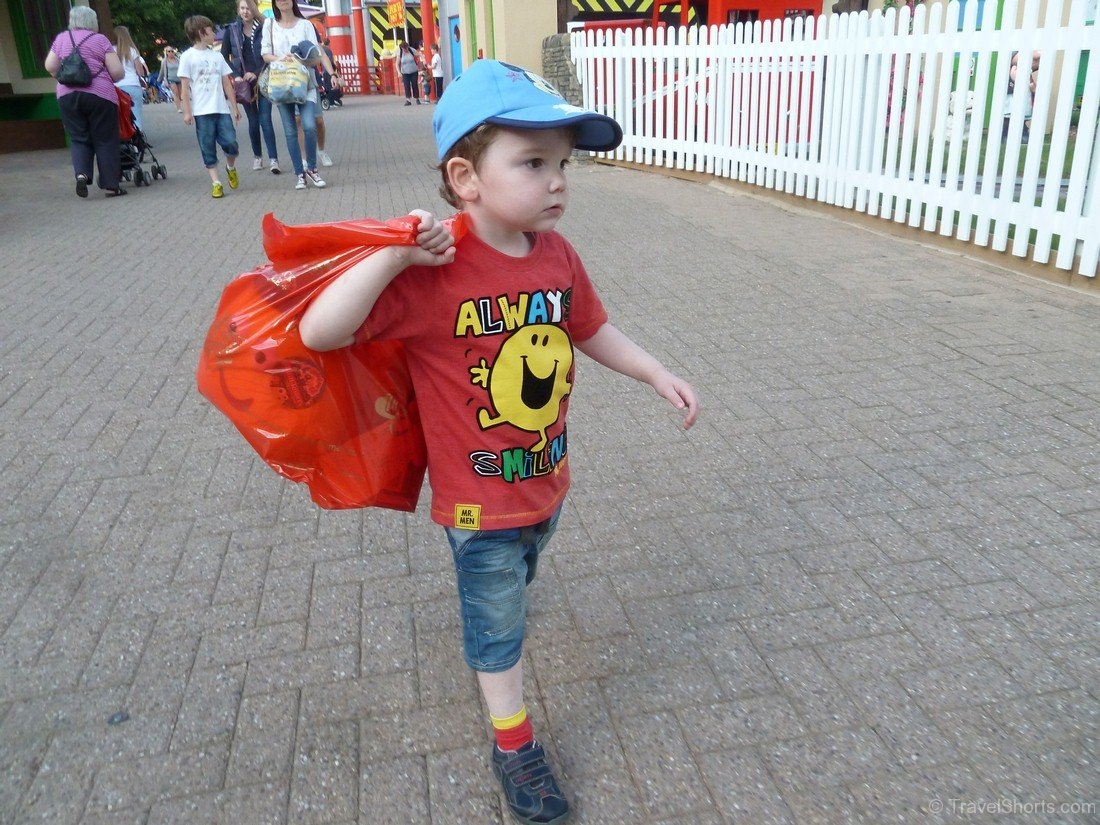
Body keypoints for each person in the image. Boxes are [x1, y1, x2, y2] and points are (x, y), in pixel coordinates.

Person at [298, 59, 699, 825]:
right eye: (534, 162)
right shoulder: (431, 268)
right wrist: (393, 254)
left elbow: (589, 329)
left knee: (525, 567)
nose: (558, 182)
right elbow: (322, 331)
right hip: (477, 499)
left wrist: (655, 372)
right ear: (465, 176)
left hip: (546, 481)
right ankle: (513, 741)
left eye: (564, 164)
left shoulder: (556, 256)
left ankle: (507, 609)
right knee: (496, 620)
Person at [44, 5, 127, 198]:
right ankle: (111, 185)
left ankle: (82, 175)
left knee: (78, 138)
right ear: (92, 22)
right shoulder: (99, 40)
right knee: (105, 139)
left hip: (67, 96)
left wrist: (66, 79)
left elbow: (50, 66)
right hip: (99, 96)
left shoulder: (62, 38)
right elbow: (116, 72)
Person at [262, 0, 327, 189]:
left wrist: (299, 59)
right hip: (282, 83)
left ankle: (312, 169)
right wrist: (283, 58)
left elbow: (316, 57)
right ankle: (300, 173)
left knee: (309, 125)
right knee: (290, 131)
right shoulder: (270, 24)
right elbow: (265, 54)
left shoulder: (306, 25)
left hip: (305, 83)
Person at [178, 15, 242, 198]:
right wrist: (187, 112)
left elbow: (227, 84)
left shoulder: (217, 56)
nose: (214, 32)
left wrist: (234, 107)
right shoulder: (187, 57)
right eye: (210, 29)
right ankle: (216, 182)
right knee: (207, 147)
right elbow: (184, 88)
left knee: (231, 143)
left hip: (221, 109)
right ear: (201, 33)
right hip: (201, 112)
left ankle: (231, 168)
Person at [223, 0, 281, 172]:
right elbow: (224, 57)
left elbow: (270, 53)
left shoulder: (264, 28)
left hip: (263, 79)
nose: (245, 11)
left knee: (266, 119)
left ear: (254, 9)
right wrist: (236, 76)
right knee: (253, 121)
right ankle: (257, 156)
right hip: (244, 85)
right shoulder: (231, 30)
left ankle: (273, 159)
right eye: (242, 8)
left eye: (248, 8)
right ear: (238, 10)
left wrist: (256, 72)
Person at [112, 26, 148, 133]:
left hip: (117, 86)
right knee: (136, 114)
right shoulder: (132, 51)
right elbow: (140, 72)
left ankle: (126, 139)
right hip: (133, 84)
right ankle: (138, 143)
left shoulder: (110, 50)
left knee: (121, 116)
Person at [1002, 50, 1040, 143]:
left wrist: (1032, 87)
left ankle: (1022, 132)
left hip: (1024, 97)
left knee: (1021, 117)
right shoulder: (1013, 67)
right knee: (1009, 117)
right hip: (1012, 96)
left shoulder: (1026, 71)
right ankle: (1006, 134)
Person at [159, 46, 183, 112]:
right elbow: (162, 71)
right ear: (166, 53)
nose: (171, 52)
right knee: (176, 93)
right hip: (171, 79)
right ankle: (179, 108)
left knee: (181, 93)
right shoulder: (164, 61)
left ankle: (179, 104)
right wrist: (162, 80)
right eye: (169, 51)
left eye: (172, 51)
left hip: (179, 78)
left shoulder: (178, 60)